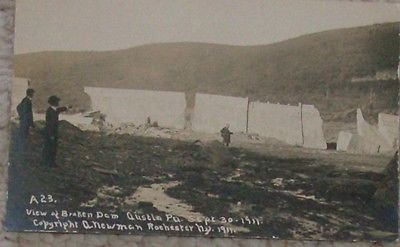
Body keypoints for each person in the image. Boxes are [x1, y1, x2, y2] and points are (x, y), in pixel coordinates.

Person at [42, 95, 68, 167]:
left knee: (50, 147)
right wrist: (51, 135)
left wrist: (67, 107)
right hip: (51, 133)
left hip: (50, 132)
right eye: (57, 101)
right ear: (54, 102)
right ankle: (49, 163)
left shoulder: (52, 110)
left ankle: (48, 162)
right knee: (51, 148)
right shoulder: (52, 111)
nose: (58, 103)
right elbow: (51, 124)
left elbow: (59, 109)